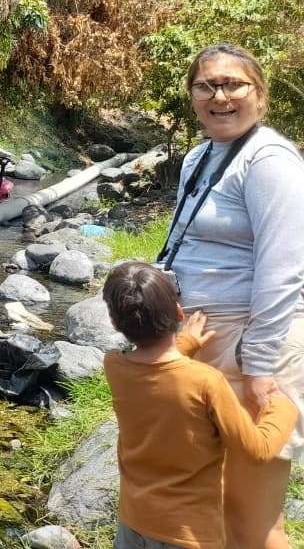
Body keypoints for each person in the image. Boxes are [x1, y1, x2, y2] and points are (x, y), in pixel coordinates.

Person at [159, 44, 304, 549]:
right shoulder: (201, 155)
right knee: (216, 498)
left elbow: (284, 268)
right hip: (204, 341)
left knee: (252, 515)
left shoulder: (271, 160)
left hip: (254, 347)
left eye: (233, 84)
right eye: (206, 86)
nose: (219, 96)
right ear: (192, 96)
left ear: (259, 95)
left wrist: (261, 365)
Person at [101, 262, 298, 549]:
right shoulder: (205, 382)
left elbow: (157, 375)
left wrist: (185, 345)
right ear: (179, 313)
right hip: (188, 535)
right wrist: (284, 408)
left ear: (116, 323)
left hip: (133, 523)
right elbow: (256, 450)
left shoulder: (114, 365)